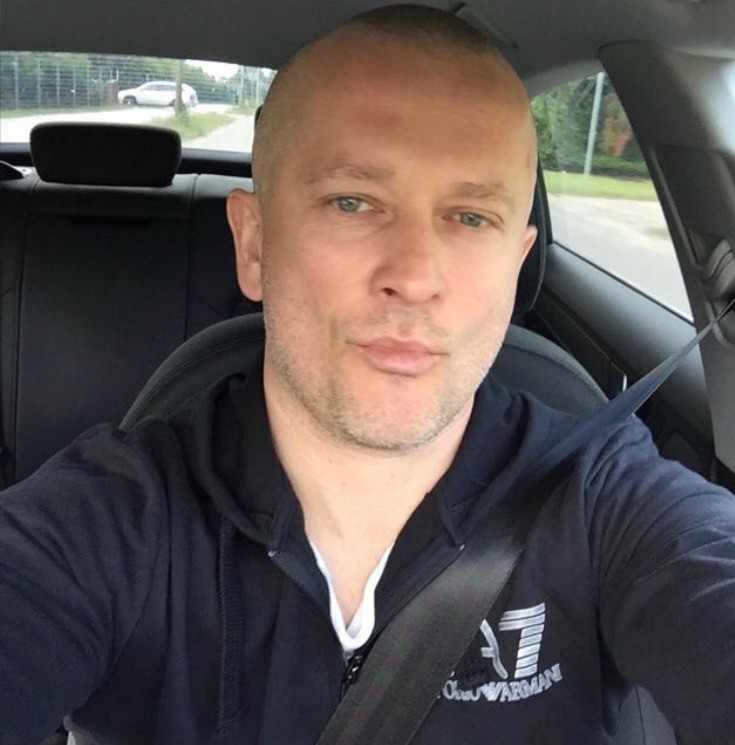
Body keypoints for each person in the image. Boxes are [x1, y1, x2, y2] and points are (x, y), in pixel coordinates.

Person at [1, 5, 734, 745]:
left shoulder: (604, 498)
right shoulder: (109, 520)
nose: (414, 278)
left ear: (516, 265)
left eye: (471, 217)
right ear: (253, 245)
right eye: (352, 202)